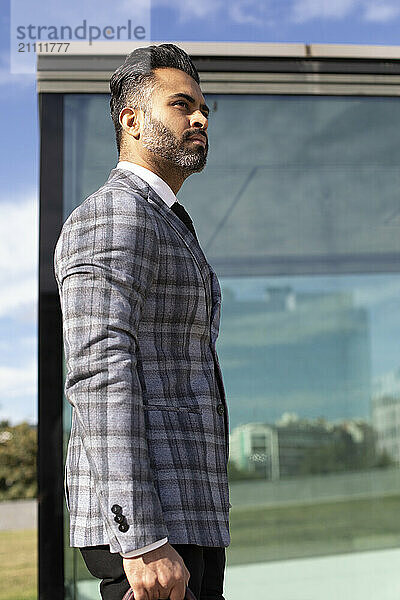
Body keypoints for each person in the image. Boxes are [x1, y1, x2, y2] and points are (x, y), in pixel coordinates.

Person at [53, 43, 230, 600]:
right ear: (131, 120)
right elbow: (100, 373)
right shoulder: (113, 213)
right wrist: (140, 537)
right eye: (182, 105)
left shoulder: (166, 219)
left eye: (204, 108)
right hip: (151, 537)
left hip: (188, 517)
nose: (201, 117)